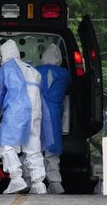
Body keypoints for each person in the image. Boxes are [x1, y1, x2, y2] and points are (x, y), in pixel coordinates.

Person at [0, 39, 49, 194]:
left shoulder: (5, 69)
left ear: (4, 54)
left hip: (17, 110)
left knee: (7, 145)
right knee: (33, 147)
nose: (0, 58)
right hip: (35, 110)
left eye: (0, 55)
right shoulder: (32, 70)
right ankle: (39, 184)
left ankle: (16, 179)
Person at [36, 44, 71, 194]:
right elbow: (68, 91)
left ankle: (33, 181)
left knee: (33, 147)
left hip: (37, 111)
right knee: (52, 148)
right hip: (55, 112)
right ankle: (55, 182)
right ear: (59, 59)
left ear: (44, 56)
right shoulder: (64, 74)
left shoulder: (35, 71)